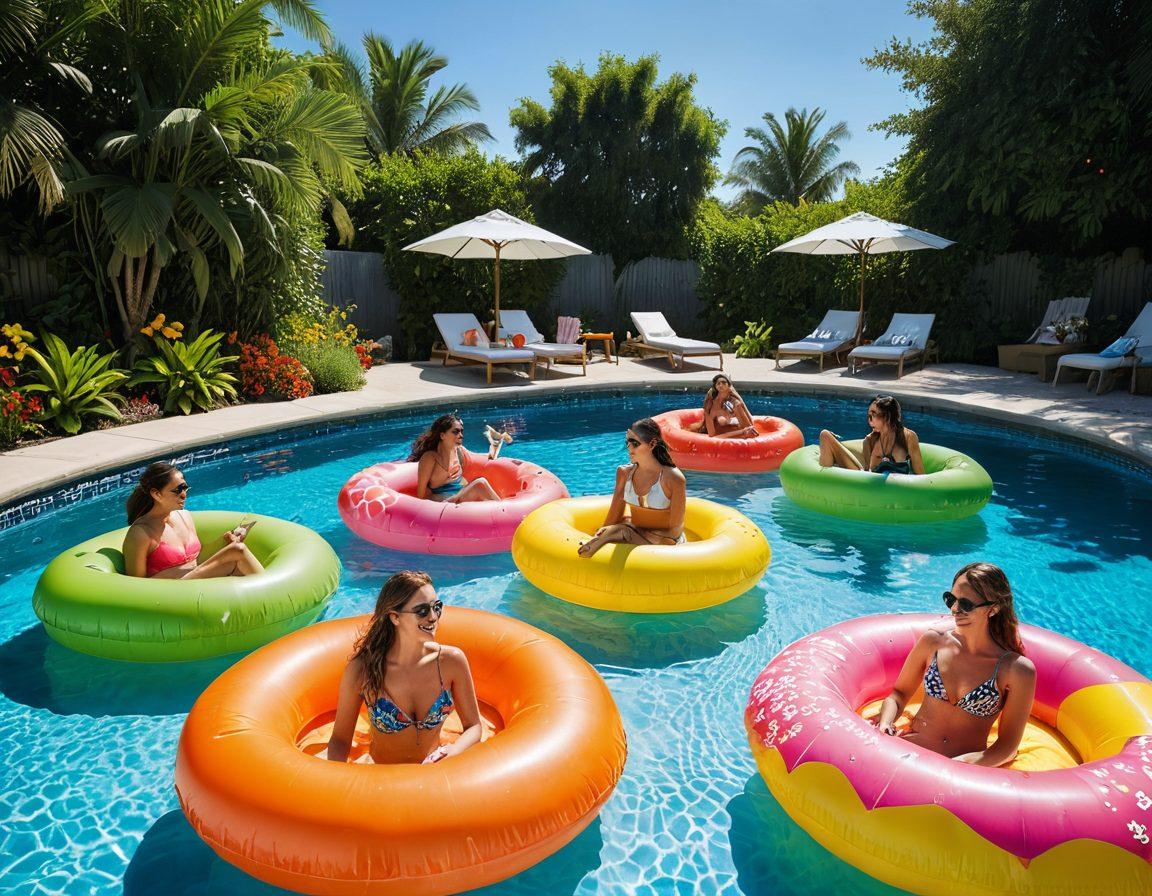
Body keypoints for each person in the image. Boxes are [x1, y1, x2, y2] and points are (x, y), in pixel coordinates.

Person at [874, 562, 1036, 766]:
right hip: (910, 753)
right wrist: (885, 723)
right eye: (951, 599)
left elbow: (1008, 747)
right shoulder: (933, 642)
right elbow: (898, 695)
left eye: (966, 604)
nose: (954, 609)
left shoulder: (1016, 670)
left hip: (962, 773)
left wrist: (959, 767)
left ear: (994, 609)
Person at [326, 571, 482, 765]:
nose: (433, 617)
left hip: (432, 774)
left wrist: (454, 750)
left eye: (437, 607)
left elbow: (474, 726)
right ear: (395, 618)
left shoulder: (451, 662)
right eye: (422, 611)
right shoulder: (362, 670)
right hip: (381, 778)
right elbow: (340, 740)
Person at [122, 462, 265, 579]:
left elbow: (196, 559)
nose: (184, 495)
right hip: (171, 592)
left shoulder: (184, 516)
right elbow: (136, 584)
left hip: (196, 584)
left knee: (237, 560)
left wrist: (225, 541)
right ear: (157, 494)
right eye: (177, 490)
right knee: (237, 551)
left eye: (185, 488)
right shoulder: (140, 533)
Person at [577, 417, 687, 558]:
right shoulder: (624, 473)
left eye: (635, 443)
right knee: (611, 530)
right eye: (627, 443)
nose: (629, 448)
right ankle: (618, 534)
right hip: (634, 533)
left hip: (663, 542)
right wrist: (602, 532)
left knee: (628, 531)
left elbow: (675, 530)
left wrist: (629, 531)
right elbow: (614, 515)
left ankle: (622, 533)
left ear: (652, 444)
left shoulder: (673, 478)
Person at [818, 395, 925, 474]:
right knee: (825, 435)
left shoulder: (908, 437)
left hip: (899, 493)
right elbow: (866, 474)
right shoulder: (870, 441)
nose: (869, 421)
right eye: (868, 416)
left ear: (887, 417)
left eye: (873, 416)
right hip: (870, 490)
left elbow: (920, 475)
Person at [409, 414, 502, 502]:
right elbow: (421, 494)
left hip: (460, 497)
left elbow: (487, 457)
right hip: (443, 503)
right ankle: (504, 512)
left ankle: (503, 511)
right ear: (442, 435)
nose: (461, 435)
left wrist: (494, 444)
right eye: (455, 432)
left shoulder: (459, 451)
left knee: (481, 485)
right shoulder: (430, 457)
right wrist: (445, 498)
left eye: (461, 431)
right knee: (480, 483)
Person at [691, 374, 758, 438]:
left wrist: (741, 401)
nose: (721, 385)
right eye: (718, 383)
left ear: (729, 387)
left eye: (724, 383)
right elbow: (712, 437)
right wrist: (742, 432)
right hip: (710, 435)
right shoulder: (711, 407)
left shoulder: (735, 404)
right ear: (716, 388)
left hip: (729, 435)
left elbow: (750, 425)